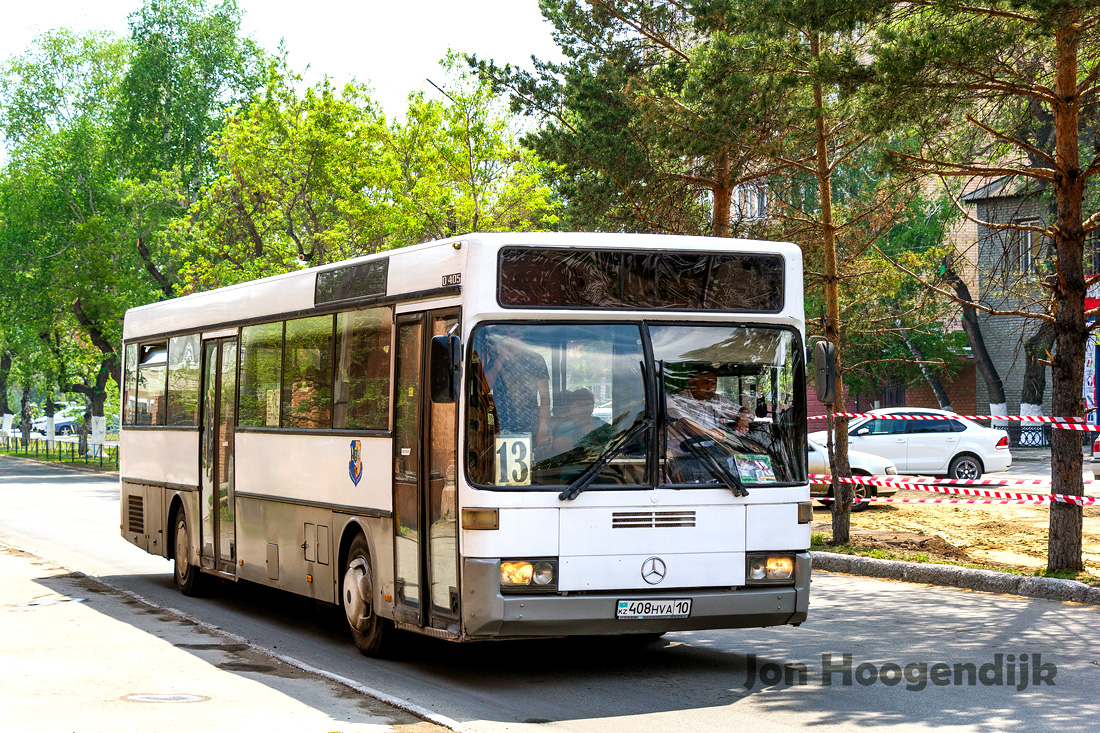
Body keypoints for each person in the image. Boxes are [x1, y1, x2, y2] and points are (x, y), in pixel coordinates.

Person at [483, 326, 551, 452]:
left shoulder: (535, 359)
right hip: (500, 429)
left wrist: (543, 428)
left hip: (530, 428)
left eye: (512, 333)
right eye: (505, 334)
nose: (509, 338)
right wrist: (501, 357)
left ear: (520, 335)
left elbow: (545, 397)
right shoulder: (494, 360)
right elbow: (485, 387)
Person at [553, 388, 598, 453]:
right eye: (579, 404)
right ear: (572, 408)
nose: (584, 408)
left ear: (593, 406)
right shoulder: (566, 427)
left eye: (587, 404)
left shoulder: (602, 424)